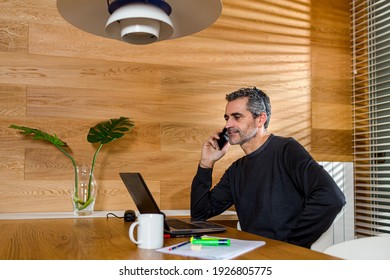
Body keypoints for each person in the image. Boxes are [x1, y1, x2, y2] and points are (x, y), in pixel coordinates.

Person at [190, 87, 346, 248]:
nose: (228, 124)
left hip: (285, 259)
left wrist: (290, 245)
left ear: (260, 119)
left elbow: (332, 198)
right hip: (254, 255)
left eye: (237, 117)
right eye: (227, 118)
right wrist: (206, 164)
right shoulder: (236, 170)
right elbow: (200, 213)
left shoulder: (286, 149)